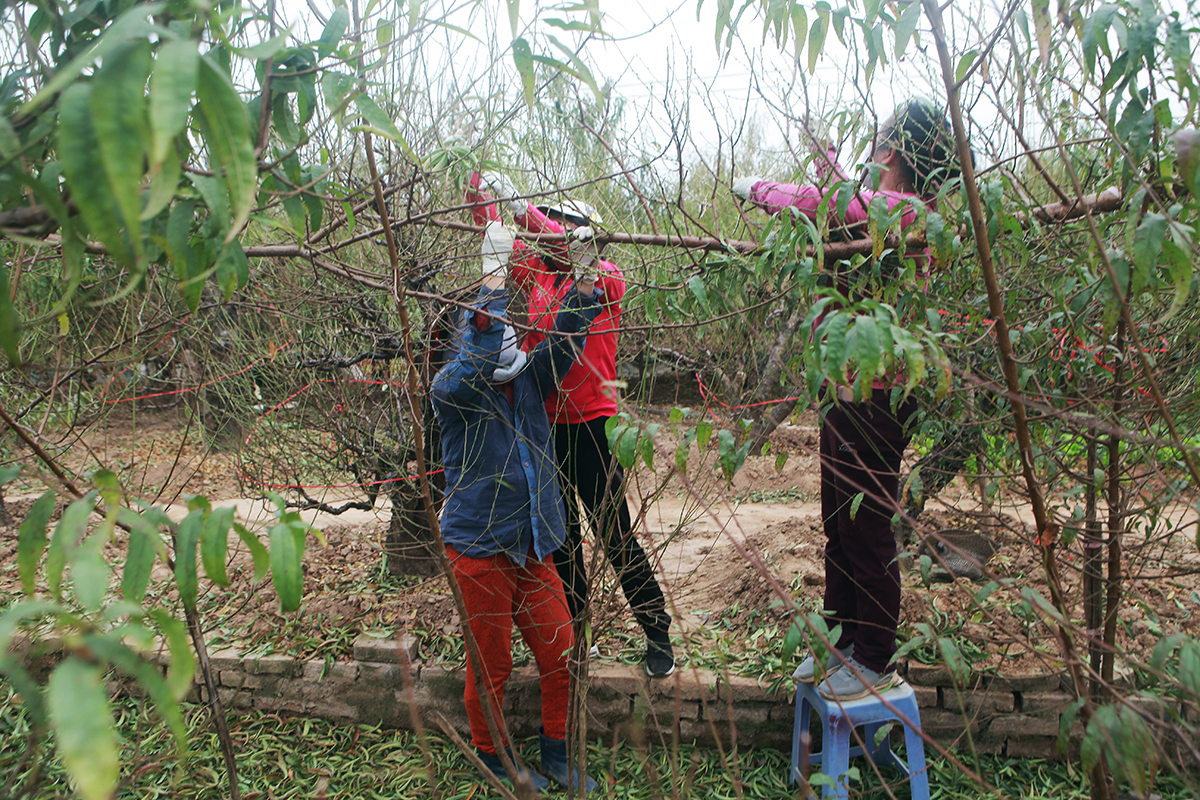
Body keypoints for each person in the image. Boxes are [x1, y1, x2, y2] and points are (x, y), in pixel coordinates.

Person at [733, 99, 963, 701]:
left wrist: (758, 187)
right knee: (840, 522)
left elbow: (824, 204)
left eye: (879, 139)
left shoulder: (911, 215)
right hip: (849, 392)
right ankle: (842, 647)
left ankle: (874, 657)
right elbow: (842, 202)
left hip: (875, 398)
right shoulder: (893, 211)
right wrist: (824, 154)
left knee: (866, 530)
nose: (872, 147)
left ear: (891, 152)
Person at [466, 171, 676, 678]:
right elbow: (493, 236)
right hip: (545, 424)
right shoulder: (538, 276)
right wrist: (480, 187)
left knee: (614, 532)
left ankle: (657, 629)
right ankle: (578, 635)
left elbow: (563, 247)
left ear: (586, 232)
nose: (553, 233)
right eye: (552, 223)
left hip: (593, 425)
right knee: (561, 539)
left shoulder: (604, 274)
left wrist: (524, 209)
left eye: (565, 226)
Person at [431, 220, 601, 792]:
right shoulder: (453, 389)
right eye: (491, 326)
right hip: (478, 548)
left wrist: (582, 284)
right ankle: (495, 757)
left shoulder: (529, 380)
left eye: (508, 326)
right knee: (492, 666)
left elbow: (564, 343)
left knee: (562, 651)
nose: (506, 338)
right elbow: (479, 356)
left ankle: (556, 751)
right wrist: (492, 283)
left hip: (532, 543)